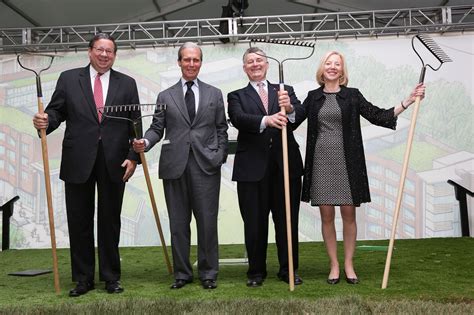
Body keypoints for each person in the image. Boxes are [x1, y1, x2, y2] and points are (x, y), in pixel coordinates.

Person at [298, 50, 425, 285]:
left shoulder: (353, 96)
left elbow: (378, 116)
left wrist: (408, 100)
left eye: (337, 64)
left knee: (349, 214)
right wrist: (284, 107)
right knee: (326, 216)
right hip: (321, 161)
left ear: (342, 71)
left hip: (348, 162)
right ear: (322, 68)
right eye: (329, 63)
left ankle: (348, 264)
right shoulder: (313, 97)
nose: (333, 67)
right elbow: (293, 119)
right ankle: (334, 265)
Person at [32, 33, 142, 296]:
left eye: (110, 51)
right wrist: (46, 120)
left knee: (110, 220)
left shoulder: (127, 83)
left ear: (115, 55)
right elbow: (57, 111)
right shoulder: (69, 79)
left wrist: (134, 156)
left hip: (115, 161)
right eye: (100, 50)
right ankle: (83, 279)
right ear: (90, 51)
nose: (105, 55)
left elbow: (135, 123)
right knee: (79, 221)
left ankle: (111, 277)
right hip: (78, 159)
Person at [132, 42, 228, 290]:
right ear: (179, 62)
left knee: (207, 222)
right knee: (178, 222)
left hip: (206, 166)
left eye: (195, 60)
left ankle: (208, 273)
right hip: (174, 166)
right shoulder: (166, 95)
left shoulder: (214, 93)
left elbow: (221, 129)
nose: (191, 64)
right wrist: (145, 141)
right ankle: (182, 274)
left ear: (201, 63)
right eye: (187, 59)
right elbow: (156, 129)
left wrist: (219, 156)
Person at [227, 47, 304, 287]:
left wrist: (289, 109)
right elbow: (238, 118)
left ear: (267, 64)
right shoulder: (236, 95)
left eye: (259, 60)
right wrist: (266, 120)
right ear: (244, 68)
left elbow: (300, 114)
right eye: (250, 61)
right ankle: (256, 272)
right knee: (254, 223)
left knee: (287, 222)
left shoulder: (284, 91)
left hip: (285, 167)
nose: (255, 64)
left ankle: (288, 270)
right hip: (251, 170)